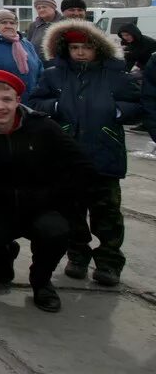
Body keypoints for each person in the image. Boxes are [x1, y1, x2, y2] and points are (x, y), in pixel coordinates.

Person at [0, 70, 96, 313]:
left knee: (55, 232)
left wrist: (61, 201)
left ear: (18, 100)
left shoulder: (42, 127)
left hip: (41, 208)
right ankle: (4, 253)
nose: (0, 106)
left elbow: (82, 166)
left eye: (7, 99)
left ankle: (41, 282)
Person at [31, 20, 142, 286]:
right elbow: (35, 101)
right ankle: (77, 256)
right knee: (71, 211)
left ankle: (109, 262)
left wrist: (117, 111)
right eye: (74, 47)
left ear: (98, 48)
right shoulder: (54, 74)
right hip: (68, 156)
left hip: (104, 152)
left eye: (86, 47)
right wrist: (56, 105)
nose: (80, 52)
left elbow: (136, 103)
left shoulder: (115, 74)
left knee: (107, 215)